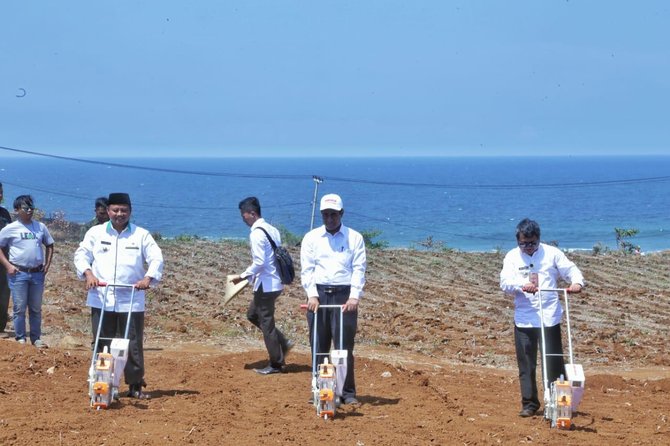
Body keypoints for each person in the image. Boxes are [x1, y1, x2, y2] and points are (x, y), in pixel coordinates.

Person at [74, 192, 163, 399]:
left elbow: (156, 258)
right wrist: (89, 274)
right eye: (115, 210)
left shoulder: (141, 235)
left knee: (131, 343)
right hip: (101, 297)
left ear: (130, 211)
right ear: (108, 211)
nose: (119, 214)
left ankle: (135, 385)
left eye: (124, 210)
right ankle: (101, 384)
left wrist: (147, 279)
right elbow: (81, 254)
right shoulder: (95, 233)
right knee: (101, 342)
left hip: (130, 299)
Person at [499, 218, 584, 418]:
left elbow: (570, 269)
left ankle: (557, 403)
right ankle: (529, 404)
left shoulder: (552, 253)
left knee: (554, 363)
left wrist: (577, 283)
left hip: (549, 317)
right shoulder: (512, 257)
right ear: (517, 241)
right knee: (526, 364)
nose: (528, 247)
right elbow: (505, 283)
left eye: (532, 243)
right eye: (523, 243)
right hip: (525, 319)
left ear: (539, 239)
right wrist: (521, 285)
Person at [300, 193, 366, 405]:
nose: (329, 218)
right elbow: (307, 269)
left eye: (334, 214)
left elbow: (359, 269)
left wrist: (354, 297)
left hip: (344, 296)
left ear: (341, 213)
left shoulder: (354, 238)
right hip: (318, 297)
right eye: (326, 214)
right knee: (318, 345)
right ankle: (319, 389)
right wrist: (311, 295)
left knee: (343, 347)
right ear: (321, 215)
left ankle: (347, 392)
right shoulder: (311, 238)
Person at [230, 196, 293, 375]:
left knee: (266, 323)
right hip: (273, 282)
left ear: (252, 213)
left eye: (244, 215)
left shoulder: (257, 233)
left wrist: (242, 277)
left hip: (266, 285)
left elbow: (259, 262)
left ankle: (276, 363)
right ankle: (282, 343)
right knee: (252, 315)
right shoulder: (272, 229)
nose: (243, 219)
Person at [0, 195, 54, 347]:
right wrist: (8, 265)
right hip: (18, 274)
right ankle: (20, 338)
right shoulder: (10, 229)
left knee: (36, 308)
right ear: (17, 210)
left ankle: (36, 338)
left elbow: (49, 244)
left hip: (37, 273)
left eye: (31, 208)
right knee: (19, 308)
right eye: (25, 208)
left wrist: (47, 265)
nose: (29, 211)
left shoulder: (40, 227)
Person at [0, 182, 13, 338]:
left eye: (1, 192)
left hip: (4, 260)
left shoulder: (4, 214)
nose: (0, 195)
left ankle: (0, 327)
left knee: (3, 293)